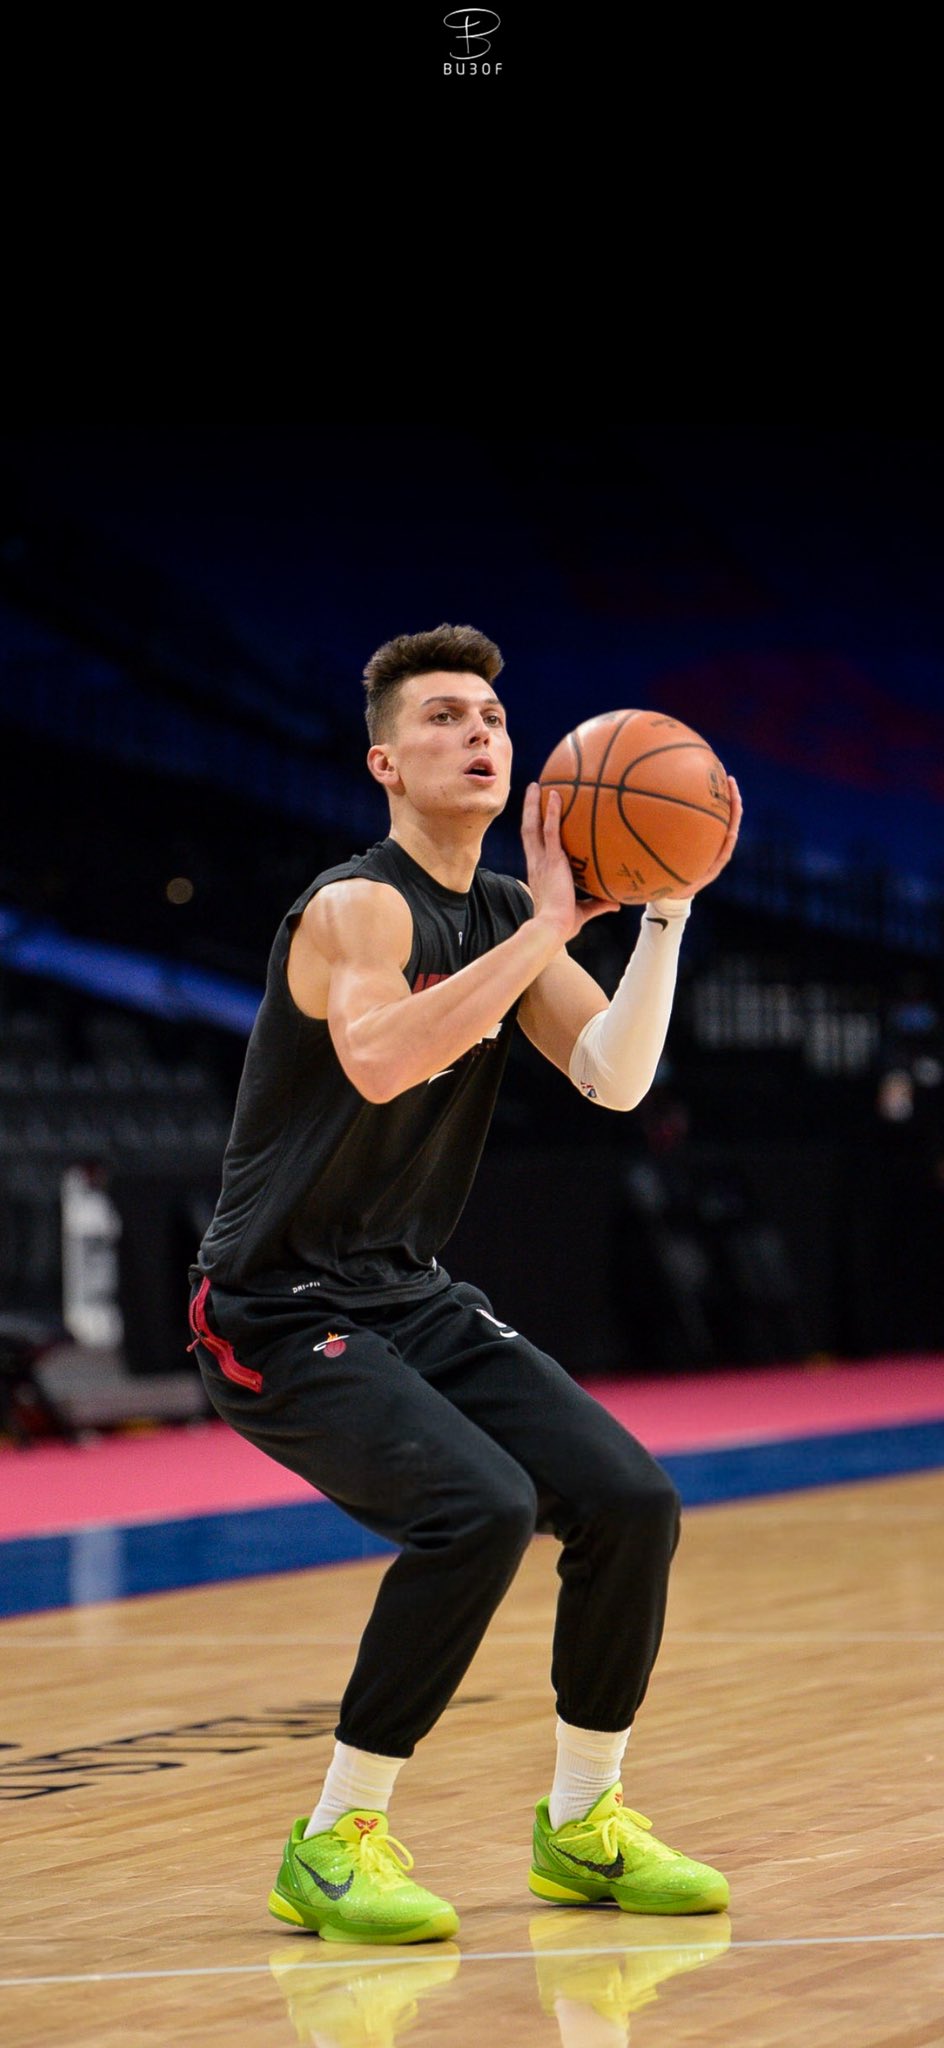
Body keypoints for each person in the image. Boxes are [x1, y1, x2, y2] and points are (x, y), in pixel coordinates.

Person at [188, 623, 742, 1946]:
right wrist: (548, 924)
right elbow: (383, 1062)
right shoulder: (355, 906)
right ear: (385, 760)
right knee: (479, 1511)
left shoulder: (503, 916)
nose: (480, 733)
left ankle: (584, 1824)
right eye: (443, 717)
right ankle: (333, 1841)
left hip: (403, 1288)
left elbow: (613, 1074)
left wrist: (661, 912)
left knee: (629, 1502)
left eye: (491, 715)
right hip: (273, 1305)